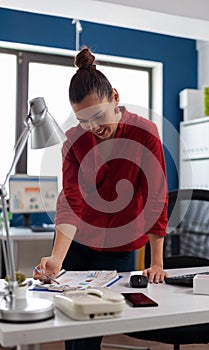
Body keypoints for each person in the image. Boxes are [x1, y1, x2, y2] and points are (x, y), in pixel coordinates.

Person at [33, 47, 168, 350]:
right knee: (77, 327)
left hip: (120, 246)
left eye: (97, 115)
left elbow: (155, 197)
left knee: (102, 319)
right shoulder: (73, 141)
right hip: (79, 243)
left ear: (115, 98)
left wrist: (157, 262)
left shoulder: (145, 133)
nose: (93, 127)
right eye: (83, 120)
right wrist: (57, 258)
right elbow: (70, 202)